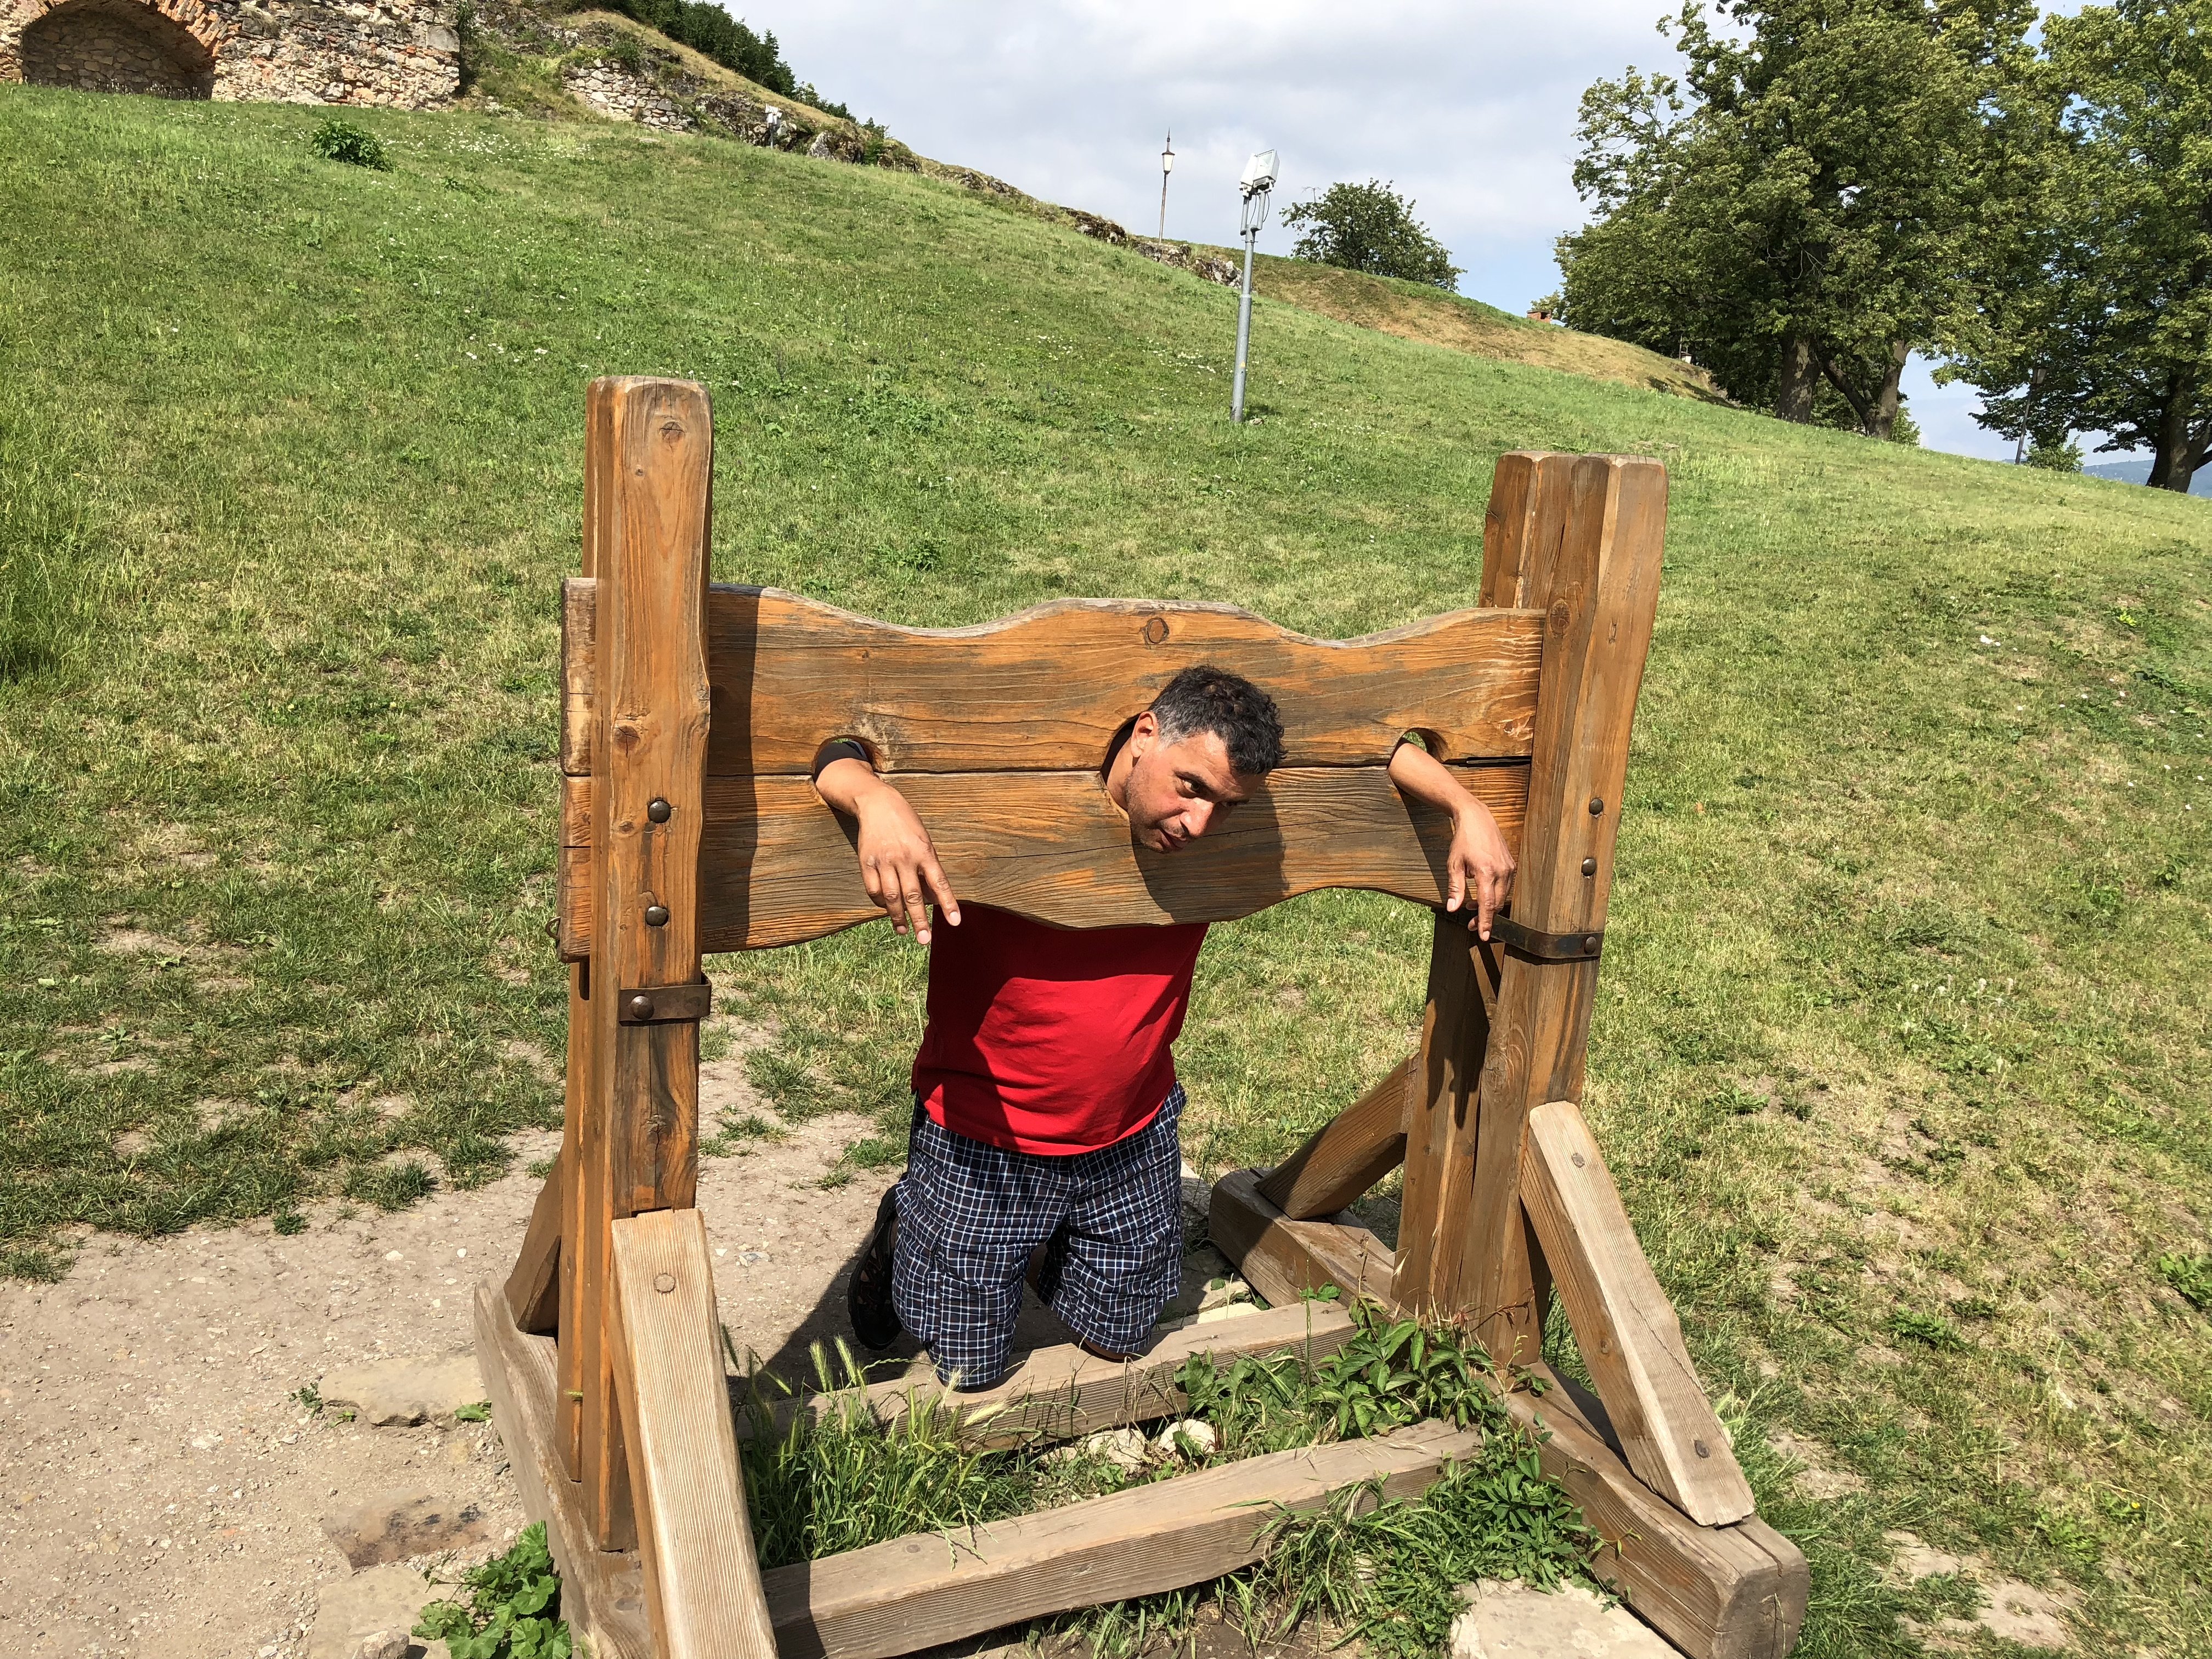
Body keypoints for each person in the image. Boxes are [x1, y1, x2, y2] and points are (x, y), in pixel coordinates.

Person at [812, 664, 1515, 1389]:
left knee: (1119, 1338)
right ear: (1145, 732)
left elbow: (1371, 741)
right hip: (983, 1130)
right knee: (967, 1369)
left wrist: (1467, 807)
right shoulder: (998, 796)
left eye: (1229, 805)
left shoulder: (1208, 834)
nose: (1200, 824)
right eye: (1191, 786)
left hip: (1131, 1130)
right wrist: (872, 796)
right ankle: (910, 1225)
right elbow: (830, 740)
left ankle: (1033, 1241)